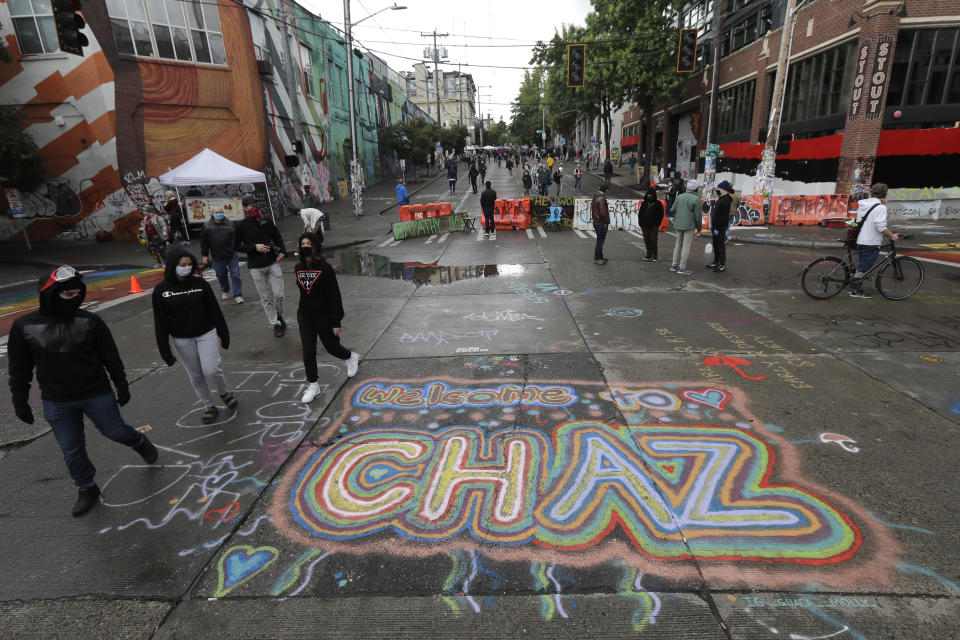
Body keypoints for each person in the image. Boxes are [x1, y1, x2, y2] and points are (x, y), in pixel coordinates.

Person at [8, 265, 158, 516]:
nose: (75, 299)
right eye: (68, 295)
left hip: (95, 392)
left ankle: (139, 442)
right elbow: (19, 368)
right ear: (50, 293)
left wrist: (121, 384)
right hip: (57, 399)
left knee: (116, 431)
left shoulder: (90, 321)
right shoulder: (24, 326)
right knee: (71, 447)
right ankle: (86, 487)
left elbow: (110, 356)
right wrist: (19, 400)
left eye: (78, 293)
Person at [153, 248, 235, 425]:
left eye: (190, 264)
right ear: (173, 265)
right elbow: (160, 322)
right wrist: (164, 350)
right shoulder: (161, 290)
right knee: (196, 375)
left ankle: (223, 392)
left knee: (211, 368)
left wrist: (224, 333)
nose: (187, 268)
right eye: (183, 265)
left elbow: (214, 309)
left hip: (206, 332)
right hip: (182, 338)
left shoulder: (200, 284)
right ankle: (209, 405)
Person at [296, 233, 360, 403]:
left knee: (332, 347)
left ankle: (350, 357)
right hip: (305, 315)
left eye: (308, 243)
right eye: (302, 243)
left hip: (323, 314)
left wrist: (336, 320)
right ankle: (313, 385)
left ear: (315, 246)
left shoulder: (325, 268)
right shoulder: (298, 268)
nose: (305, 246)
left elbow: (334, 296)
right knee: (308, 350)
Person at [236, 194, 287, 337]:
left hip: (272, 263)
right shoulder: (241, 226)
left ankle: (279, 314)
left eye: (255, 205)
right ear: (245, 208)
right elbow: (235, 246)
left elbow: (277, 237)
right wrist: (253, 247)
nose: (254, 208)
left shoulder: (266, 221)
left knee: (279, 294)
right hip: (255, 267)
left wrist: (283, 251)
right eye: (251, 206)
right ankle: (276, 324)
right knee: (265, 297)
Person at [850, 183, 898, 299]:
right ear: (884, 194)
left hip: (861, 240)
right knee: (864, 267)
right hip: (871, 242)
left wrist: (881, 205)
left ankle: (856, 281)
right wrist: (892, 235)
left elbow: (861, 220)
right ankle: (855, 290)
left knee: (862, 265)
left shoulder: (864, 204)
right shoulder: (881, 208)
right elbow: (881, 227)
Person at [200, 206, 244, 304]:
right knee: (221, 275)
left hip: (231, 254)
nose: (219, 214)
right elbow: (204, 242)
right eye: (217, 212)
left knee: (235, 275)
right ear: (212, 214)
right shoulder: (206, 226)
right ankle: (225, 290)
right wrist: (205, 255)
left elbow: (236, 238)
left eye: (221, 212)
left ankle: (238, 294)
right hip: (217, 256)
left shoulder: (231, 224)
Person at [670, 180, 701, 275]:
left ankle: (674, 265)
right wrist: (699, 229)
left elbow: (672, 209)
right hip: (689, 225)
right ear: (696, 189)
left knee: (678, 245)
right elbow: (698, 216)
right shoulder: (696, 199)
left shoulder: (679, 197)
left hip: (678, 224)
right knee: (686, 247)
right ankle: (682, 268)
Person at [708, 180, 733, 272]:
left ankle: (722, 265)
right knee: (715, 244)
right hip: (715, 226)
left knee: (720, 246)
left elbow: (724, 216)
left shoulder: (726, 200)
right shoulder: (721, 198)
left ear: (724, 189)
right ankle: (716, 261)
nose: (717, 189)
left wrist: (718, 228)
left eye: (719, 188)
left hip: (720, 227)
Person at [637, 186, 664, 262]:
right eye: (648, 194)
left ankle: (655, 256)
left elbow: (661, 214)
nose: (649, 196)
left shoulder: (658, 203)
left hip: (654, 226)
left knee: (653, 240)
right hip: (644, 225)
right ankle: (649, 255)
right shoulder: (644, 203)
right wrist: (640, 223)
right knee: (647, 240)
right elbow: (640, 213)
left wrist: (657, 223)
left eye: (650, 195)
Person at [591, 184, 610, 265]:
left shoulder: (595, 197)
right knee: (600, 241)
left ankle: (600, 257)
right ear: (606, 190)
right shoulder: (602, 198)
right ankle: (597, 258)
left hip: (596, 221)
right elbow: (603, 212)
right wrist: (607, 221)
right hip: (601, 222)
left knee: (600, 240)